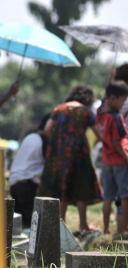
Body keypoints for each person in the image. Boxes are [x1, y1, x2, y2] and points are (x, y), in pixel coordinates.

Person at [37, 85, 102, 233]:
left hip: (60, 157)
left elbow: (47, 130)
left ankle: (61, 225)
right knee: (81, 188)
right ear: (88, 99)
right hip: (80, 156)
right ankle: (83, 225)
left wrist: (58, 143)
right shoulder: (86, 112)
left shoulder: (58, 110)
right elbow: (99, 135)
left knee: (62, 189)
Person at [9, 114, 51, 227]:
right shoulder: (45, 142)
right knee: (31, 223)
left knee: (19, 222)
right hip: (28, 185)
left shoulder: (31, 136)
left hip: (14, 182)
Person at [97, 80, 128, 234]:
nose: (123, 104)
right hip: (119, 160)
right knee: (125, 195)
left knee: (108, 196)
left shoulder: (101, 111)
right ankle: (124, 230)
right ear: (114, 98)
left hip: (106, 159)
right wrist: (126, 157)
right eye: (122, 100)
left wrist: (110, 79)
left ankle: (106, 228)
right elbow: (117, 142)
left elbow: (105, 98)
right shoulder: (116, 117)